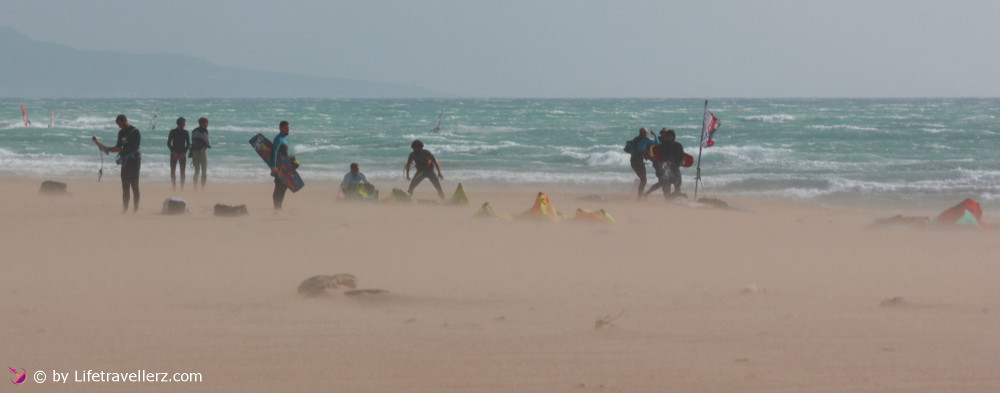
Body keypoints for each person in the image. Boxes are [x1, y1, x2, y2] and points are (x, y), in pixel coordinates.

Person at [92, 114, 141, 212]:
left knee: (135, 186)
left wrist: (115, 150)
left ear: (125, 120)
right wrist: (104, 147)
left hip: (134, 162)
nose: (119, 126)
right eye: (118, 124)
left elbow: (134, 148)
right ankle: (125, 210)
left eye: (120, 124)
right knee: (125, 187)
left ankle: (135, 210)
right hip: (125, 162)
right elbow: (118, 147)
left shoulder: (135, 132)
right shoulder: (121, 133)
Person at [628, 128, 655, 199]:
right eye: (646, 133)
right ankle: (639, 197)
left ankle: (639, 193)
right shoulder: (644, 140)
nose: (647, 134)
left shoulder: (635, 140)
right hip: (638, 163)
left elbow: (637, 150)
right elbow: (656, 143)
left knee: (642, 179)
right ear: (643, 133)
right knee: (644, 180)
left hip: (633, 162)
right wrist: (655, 135)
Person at [271, 121, 291, 209]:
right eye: (286, 128)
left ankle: (278, 207)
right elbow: (274, 152)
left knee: (284, 187)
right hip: (279, 168)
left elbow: (282, 153)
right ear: (281, 128)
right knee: (279, 187)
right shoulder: (278, 138)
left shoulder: (284, 138)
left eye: (288, 128)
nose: (288, 130)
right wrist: (273, 166)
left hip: (284, 167)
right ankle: (277, 208)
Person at [167, 117, 191, 190]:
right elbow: (168, 143)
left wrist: (184, 152)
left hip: (182, 154)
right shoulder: (172, 131)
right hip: (174, 153)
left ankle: (181, 188)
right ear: (180, 123)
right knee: (172, 171)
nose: (184, 124)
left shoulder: (185, 132)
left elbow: (188, 144)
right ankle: (174, 187)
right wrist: (172, 152)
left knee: (182, 172)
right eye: (183, 123)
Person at [189, 117, 211, 190]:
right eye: (206, 123)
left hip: (195, 152)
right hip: (202, 152)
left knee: (196, 171)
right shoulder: (204, 131)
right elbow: (207, 143)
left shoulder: (194, 131)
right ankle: (202, 188)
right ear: (202, 123)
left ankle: (195, 187)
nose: (207, 124)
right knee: (204, 172)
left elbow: (192, 141)